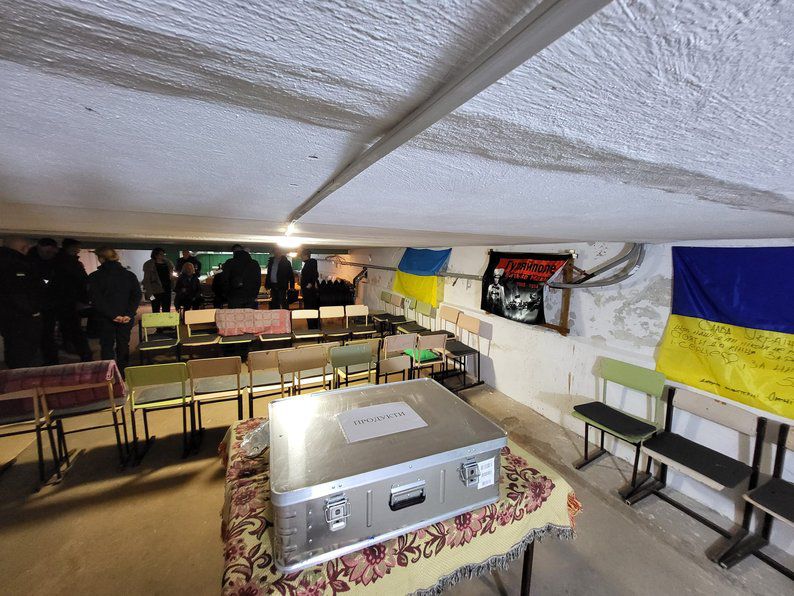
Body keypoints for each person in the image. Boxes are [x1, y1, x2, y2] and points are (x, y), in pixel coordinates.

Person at [88, 247, 141, 372]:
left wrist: (112, 315)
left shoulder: (95, 277)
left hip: (105, 317)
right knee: (123, 345)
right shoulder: (129, 275)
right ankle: (123, 372)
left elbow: (96, 300)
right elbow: (136, 296)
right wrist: (129, 314)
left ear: (101, 259)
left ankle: (109, 373)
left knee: (106, 346)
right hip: (126, 317)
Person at [0, 236, 45, 368]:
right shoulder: (15, 265)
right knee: (25, 353)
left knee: (14, 348)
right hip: (22, 319)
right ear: (24, 248)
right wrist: (34, 312)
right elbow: (18, 293)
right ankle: (26, 377)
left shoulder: (5, 262)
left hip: (8, 317)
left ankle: (18, 375)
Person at [51, 238, 92, 361]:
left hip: (63, 299)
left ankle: (69, 348)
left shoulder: (58, 261)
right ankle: (83, 354)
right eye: (77, 248)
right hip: (68, 300)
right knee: (74, 328)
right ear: (71, 248)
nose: (79, 250)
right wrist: (84, 298)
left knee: (68, 327)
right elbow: (81, 281)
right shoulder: (69, 263)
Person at [27, 238, 60, 365]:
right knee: (39, 335)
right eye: (45, 252)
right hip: (36, 304)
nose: (47, 255)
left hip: (49, 304)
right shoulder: (30, 262)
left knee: (47, 335)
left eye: (50, 252)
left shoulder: (55, 262)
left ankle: (50, 361)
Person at [222, 244, 262, 309]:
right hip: (250, 296)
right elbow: (258, 281)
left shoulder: (229, 263)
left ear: (234, 252)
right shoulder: (254, 263)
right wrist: (254, 294)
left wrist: (227, 294)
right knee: (250, 314)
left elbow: (224, 280)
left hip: (234, 296)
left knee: (235, 314)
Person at [142, 247, 174, 313]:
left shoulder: (168, 263)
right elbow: (146, 280)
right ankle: (157, 320)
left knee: (166, 309)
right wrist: (150, 294)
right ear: (155, 255)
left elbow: (171, 276)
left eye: (163, 254)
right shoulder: (149, 265)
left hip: (166, 289)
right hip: (155, 291)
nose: (163, 255)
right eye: (161, 254)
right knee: (155, 309)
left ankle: (166, 320)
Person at [299, 249, 319, 327]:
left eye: (301, 255)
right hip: (308, 290)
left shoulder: (311, 263)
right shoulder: (308, 263)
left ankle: (312, 326)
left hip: (309, 291)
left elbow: (314, 274)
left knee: (309, 307)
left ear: (305, 255)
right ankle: (313, 326)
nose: (301, 257)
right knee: (310, 307)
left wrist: (310, 283)